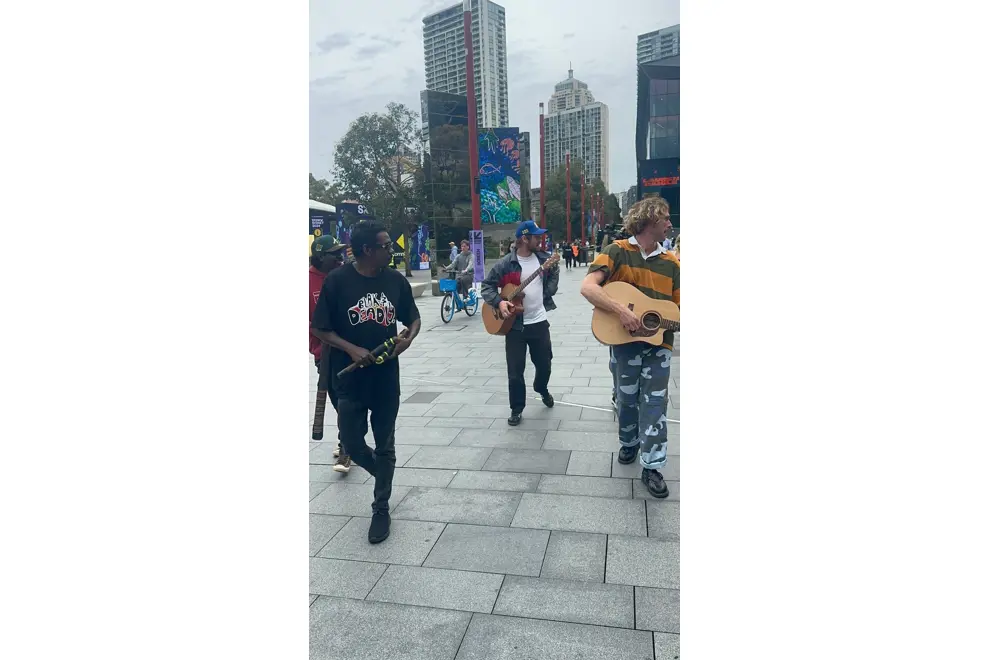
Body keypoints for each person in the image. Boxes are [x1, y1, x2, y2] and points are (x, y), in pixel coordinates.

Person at [311, 220, 422, 544]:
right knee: (353, 442)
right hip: (349, 379)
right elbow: (320, 329)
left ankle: (381, 507)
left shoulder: (394, 281)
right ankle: (382, 472)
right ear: (367, 250)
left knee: (385, 443)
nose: (391, 250)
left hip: (386, 378)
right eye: (386, 245)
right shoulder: (337, 282)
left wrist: (408, 339)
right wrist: (351, 348)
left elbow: (412, 318)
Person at [580, 197, 679, 498]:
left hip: (659, 345)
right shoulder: (617, 252)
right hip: (624, 344)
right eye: (666, 220)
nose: (670, 225)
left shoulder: (673, 264)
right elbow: (588, 287)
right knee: (626, 400)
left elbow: (679, 309)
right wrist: (622, 311)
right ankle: (629, 442)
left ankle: (652, 465)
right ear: (650, 221)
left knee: (655, 403)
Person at [481, 220, 559, 426]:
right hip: (514, 325)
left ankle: (541, 387)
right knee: (515, 371)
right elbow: (487, 287)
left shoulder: (544, 259)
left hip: (539, 321)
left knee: (545, 364)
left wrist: (547, 291)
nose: (540, 240)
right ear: (525, 239)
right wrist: (500, 302)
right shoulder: (505, 264)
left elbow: (554, 275)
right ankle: (516, 408)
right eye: (536, 237)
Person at [309, 235, 351, 473]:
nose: (339, 258)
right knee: (338, 400)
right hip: (324, 354)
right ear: (320, 256)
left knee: (347, 402)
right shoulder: (307, 281)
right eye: (334, 254)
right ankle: (347, 440)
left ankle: (347, 448)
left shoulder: (345, 277)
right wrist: (317, 344)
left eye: (340, 253)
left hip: (350, 351)